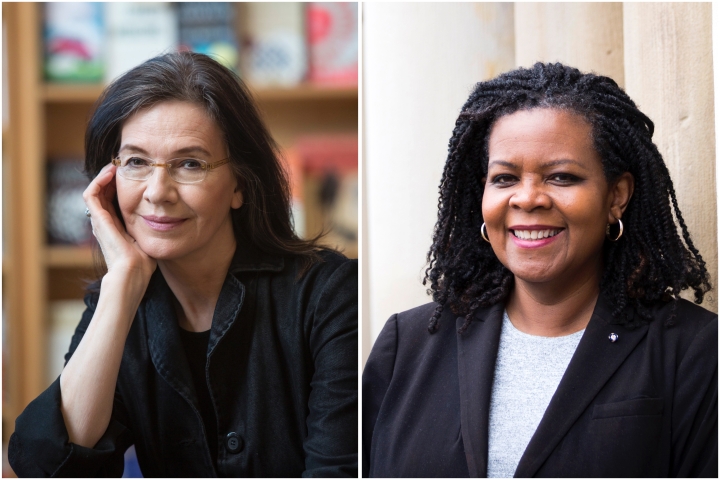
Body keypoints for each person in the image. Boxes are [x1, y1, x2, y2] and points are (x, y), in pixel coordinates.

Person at [9, 52, 358, 477]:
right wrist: (119, 287)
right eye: (136, 162)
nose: (158, 192)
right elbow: (50, 469)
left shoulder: (329, 294)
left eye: (189, 164)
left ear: (239, 186)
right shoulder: (119, 303)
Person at [363, 63, 717, 477]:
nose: (527, 198)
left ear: (616, 197)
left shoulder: (695, 352)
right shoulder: (406, 346)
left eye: (562, 177)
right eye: (505, 178)